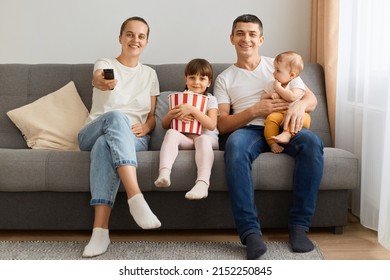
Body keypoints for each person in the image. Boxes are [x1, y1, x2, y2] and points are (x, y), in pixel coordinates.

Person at [213, 14, 324, 260]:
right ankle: (251, 234)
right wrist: (255, 110)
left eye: (252, 34)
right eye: (240, 33)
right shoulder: (224, 78)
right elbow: (221, 125)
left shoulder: (280, 64)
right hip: (250, 130)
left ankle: (299, 228)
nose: (246, 39)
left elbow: (311, 100)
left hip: (285, 126)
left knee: (313, 143)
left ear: (261, 39)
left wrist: (297, 106)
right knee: (234, 146)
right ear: (231, 38)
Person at [78, 16, 161, 258]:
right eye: (130, 34)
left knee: (107, 144)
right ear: (120, 38)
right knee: (115, 117)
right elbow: (97, 79)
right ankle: (136, 198)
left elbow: (153, 115)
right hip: (92, 132)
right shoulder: (105, 63)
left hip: (133, 138)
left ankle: (100, 232)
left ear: (146, 42)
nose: (135, 39)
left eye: (141, 36)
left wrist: (146, 128)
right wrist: (101, 82)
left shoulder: (150, 74)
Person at [154, 58, 219, 200]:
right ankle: (164, 173)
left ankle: (202, 183)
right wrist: (170, 115)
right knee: (171, 132)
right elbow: (165, 125)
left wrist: (193, 110)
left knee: (202, 139)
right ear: (186, 79)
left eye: (202, 78)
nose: (196, 82)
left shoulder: (210, 99)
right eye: (192, 78)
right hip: (188, 141)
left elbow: (211, 124)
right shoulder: (180, 99)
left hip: (208, 140)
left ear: (208, 82)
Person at [262, 51, 311, 153]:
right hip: (278, 114)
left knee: (306, 118)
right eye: (274, 69)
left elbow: (292, 97)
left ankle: (287, 134)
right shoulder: (272, 84)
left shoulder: (296, 82)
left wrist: (278, 89)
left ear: (292, 75)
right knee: (270, 119)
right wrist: (270, 95)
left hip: (294, 114)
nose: (274, 73)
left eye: (278, 71)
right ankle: (273, 144)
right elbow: (262, 98)